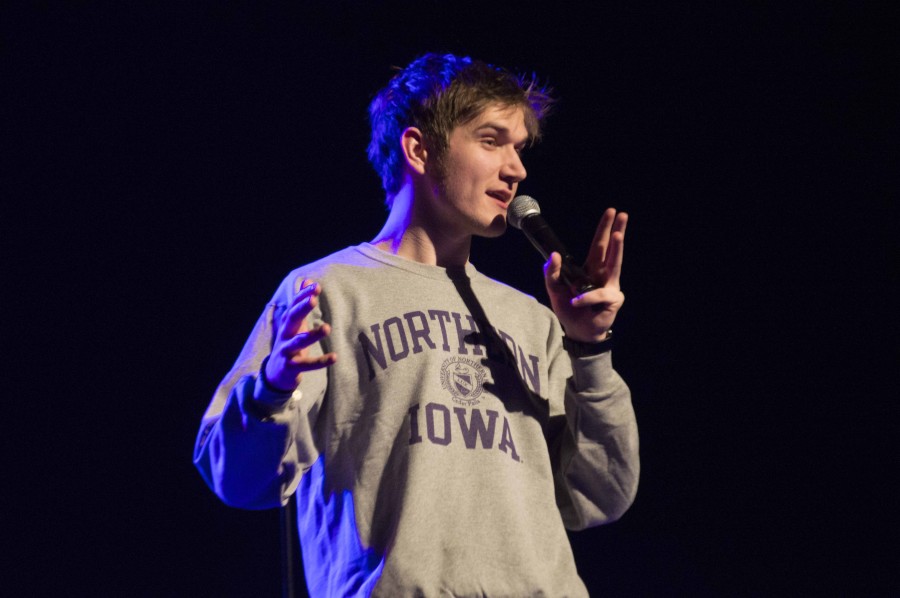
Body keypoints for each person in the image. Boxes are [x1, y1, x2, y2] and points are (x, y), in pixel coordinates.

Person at [194, 52, 639, 597]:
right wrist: (271, 389)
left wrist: (589, 348)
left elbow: (598, 495)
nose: (517, 169)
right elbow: (236, 478)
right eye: (491, 140)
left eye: (519, 149)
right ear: (419, 149)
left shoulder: (532, 320)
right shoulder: (327, 289)